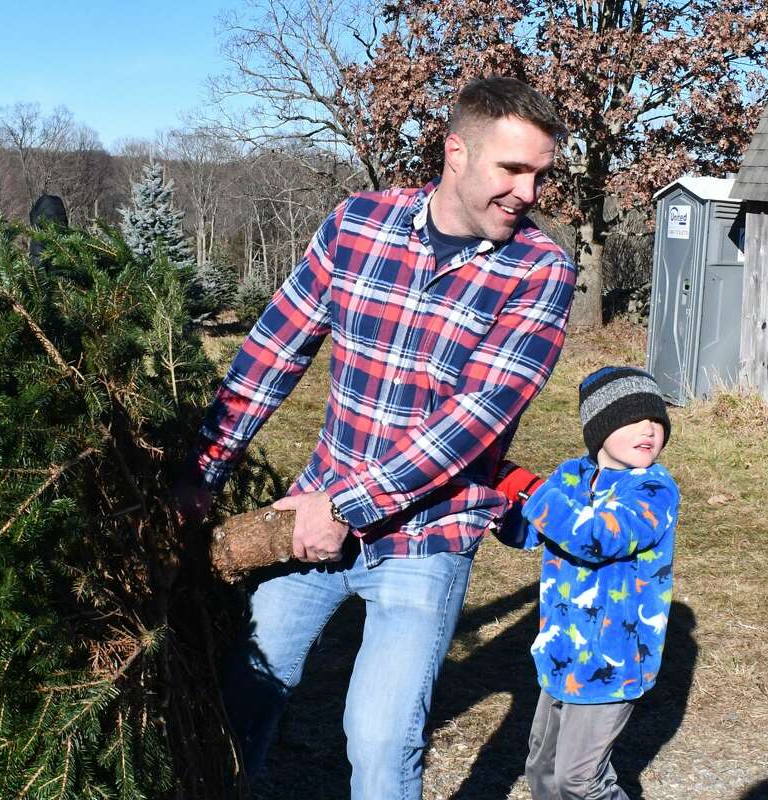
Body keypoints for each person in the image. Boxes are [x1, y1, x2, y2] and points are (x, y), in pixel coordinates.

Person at [179, 76, 578, 799]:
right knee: (241, 697)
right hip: (310, 517)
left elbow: (472, 422)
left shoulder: (539, 270)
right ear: (456, 151)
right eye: (513, 169)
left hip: (427, 537)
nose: (528, 192)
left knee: (380, 739)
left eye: (540, 175)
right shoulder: (358, 224)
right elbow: (272, 351)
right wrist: (204, 469)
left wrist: (344, 507)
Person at [493, 366, 681, 800]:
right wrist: (496, 506)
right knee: (543, 770)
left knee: (579, 781)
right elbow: (530, 532)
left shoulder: (654, 490)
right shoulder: (571, 476)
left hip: (612, 662)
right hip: (562, 653)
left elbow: (599, 537)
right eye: (633, 419)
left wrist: (528, 489)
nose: (648, 430)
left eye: (656, 421)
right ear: (600, 428)